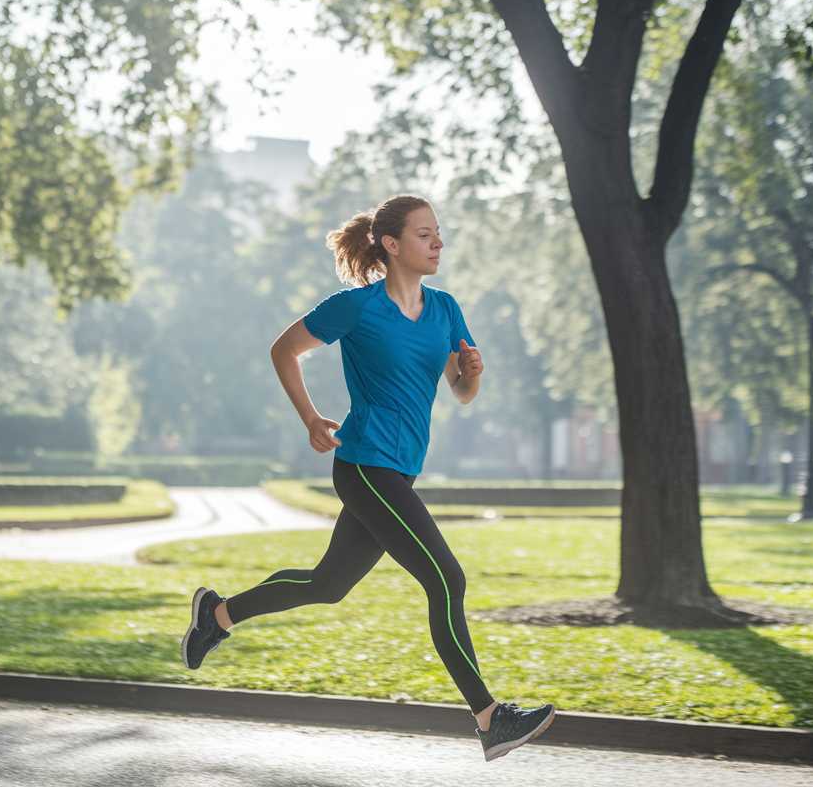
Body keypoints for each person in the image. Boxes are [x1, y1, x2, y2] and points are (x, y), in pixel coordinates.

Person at [180, 194, 555, 761]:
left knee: (327, 585)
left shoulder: (446, 309)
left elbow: (460, 389)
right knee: (446, 581)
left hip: (399, 471)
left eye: (439, 234)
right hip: (364, 465)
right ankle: (489, 718)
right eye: (426, 235)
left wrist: (472, 373)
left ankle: (218, 613)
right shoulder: (357, 308)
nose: (438, 243)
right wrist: (310, 418)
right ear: (392, 244)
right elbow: (285, 350)